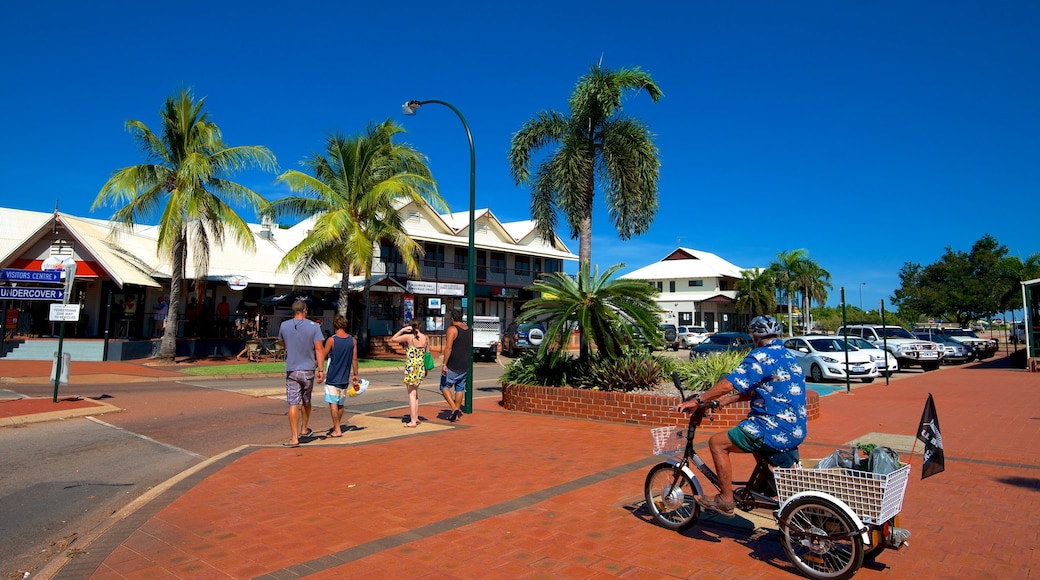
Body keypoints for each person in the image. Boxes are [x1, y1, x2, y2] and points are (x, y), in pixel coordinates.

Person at [675, 315, 807, 517]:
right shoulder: (788, 356)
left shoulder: (760, 356)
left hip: (772, 429)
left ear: (754, 336)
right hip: (795, 429)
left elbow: (728, 384)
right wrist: (726, 401)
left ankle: (726, 499)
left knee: (717, 443)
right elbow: (762, 388)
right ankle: (764, 482)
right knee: (749, 429)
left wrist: (698, 401)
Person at [278, 299, 326, 447]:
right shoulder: (314, 326)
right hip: (308, 369)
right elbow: (319, 349)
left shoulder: (284, 325)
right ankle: (304, 428)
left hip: (292, 369)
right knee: (306, 400)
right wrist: (321, 369)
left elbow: (282, 343)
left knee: (293, 403)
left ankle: (294, 438)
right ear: (305, 310)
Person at [322, 314, 359, 437]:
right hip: (344, 376)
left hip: (332, 376)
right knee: (340, 403)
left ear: (334, 325)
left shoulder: (331, 340)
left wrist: (317, 367)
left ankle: (337, 429)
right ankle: (337, 426)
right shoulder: (352, 340)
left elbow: (323, 355)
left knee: (333, 403)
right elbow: (354, 359)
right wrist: (356, 374)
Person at [390, 320, 429, 427]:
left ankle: (412, 421)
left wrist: (402, 330)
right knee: (415, 393)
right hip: (420, 366)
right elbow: (427, 353)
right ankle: (415, 417)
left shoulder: (409, 337)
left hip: (411, 366)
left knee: (411, 394)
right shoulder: (425, 337)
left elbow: (393, 339)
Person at [439, 308, 472, 423]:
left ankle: (454, 408)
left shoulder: (452, 329)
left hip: (453, 364)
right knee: (459, 388)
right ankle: (456, 414)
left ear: (452, 318)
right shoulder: (468, 329)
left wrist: (444, 364)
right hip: (464, 363)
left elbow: (448, 348)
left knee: (444, 386)